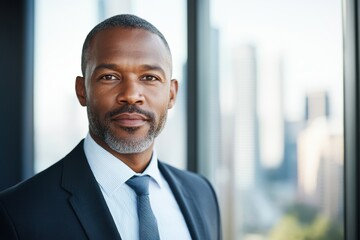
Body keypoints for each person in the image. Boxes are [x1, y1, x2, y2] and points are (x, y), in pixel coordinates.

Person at [0, 14, 221, 240]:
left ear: (172, 93)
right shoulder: (17, 212)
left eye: (149, 77)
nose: (131, 95)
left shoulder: (203, 194)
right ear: (82, 90)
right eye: (110, 76)